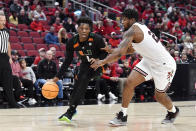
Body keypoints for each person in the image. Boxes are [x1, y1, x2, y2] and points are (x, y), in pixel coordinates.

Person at [91, 9, 179, 126]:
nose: (122, 22)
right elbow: (131, 49)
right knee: (129, 83)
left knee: (159, 96)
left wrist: (102, 62)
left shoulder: (132, 31)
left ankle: (173, 111)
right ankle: (123, 115)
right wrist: (111, 50)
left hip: (164, 66)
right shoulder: (138, 28)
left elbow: (119, 54)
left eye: (124, 19)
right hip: (148, 61)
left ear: (132, 20)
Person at [51, 17, 108, 122]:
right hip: (85, 65)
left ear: (90, 29)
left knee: (83, 80)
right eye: (82, 28)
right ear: (77, 28)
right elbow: (67, 61)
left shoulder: (97, 39)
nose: (84, 31)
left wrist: (98, 60)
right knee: (77, 86)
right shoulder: (72, 41)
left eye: (87, 29)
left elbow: (106, 53)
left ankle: (71, 111)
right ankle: (71, 109)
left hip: (99, 65)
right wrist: (57, 77)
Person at [0, 11, 20, 108]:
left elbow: (8, 45)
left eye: (4, 20)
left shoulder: (7, 31)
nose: (3, 22)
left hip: (4, 57)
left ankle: (12, 102)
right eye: (1, 20)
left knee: (8, 81)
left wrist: (10, 57)